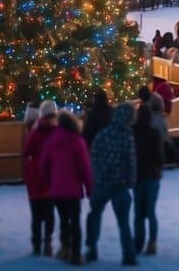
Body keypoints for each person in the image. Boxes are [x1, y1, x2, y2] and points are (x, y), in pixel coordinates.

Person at [86, 102, 136, 265]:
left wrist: (98, 176)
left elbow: (94, 157)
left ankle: (91, 248)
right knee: (124, 222)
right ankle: (128, 255)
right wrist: (130, 181)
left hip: (102, 184)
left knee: (94, 215)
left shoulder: (102, 135)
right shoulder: (127, 138)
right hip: (120, 185)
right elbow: (131, 162)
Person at [41, 111, 92, 266]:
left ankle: (65, 249)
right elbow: (85, 167)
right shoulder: (77, 141)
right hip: (73, 190)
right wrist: (89, 188)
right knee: (75, 222)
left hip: (57, 190)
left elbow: (43, 164)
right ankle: (76, 254)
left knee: (63, 221)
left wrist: (49, 182)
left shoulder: (51, 140)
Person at [23, 100, 59, 256]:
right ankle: (47, 241)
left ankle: (37, 244)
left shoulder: (34, 133)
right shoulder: (57, 132)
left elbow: (26, 152)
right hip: (49, 179)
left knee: (36, 216)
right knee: (49, 214)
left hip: (34, 179)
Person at [132, 104, 163, 257]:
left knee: (138, 213)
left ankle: (138, 242)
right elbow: (159, 156)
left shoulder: (133, 133)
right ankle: (152, 242)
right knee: (151, 211)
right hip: (152, 176)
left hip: (138, 177)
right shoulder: (154, 133)